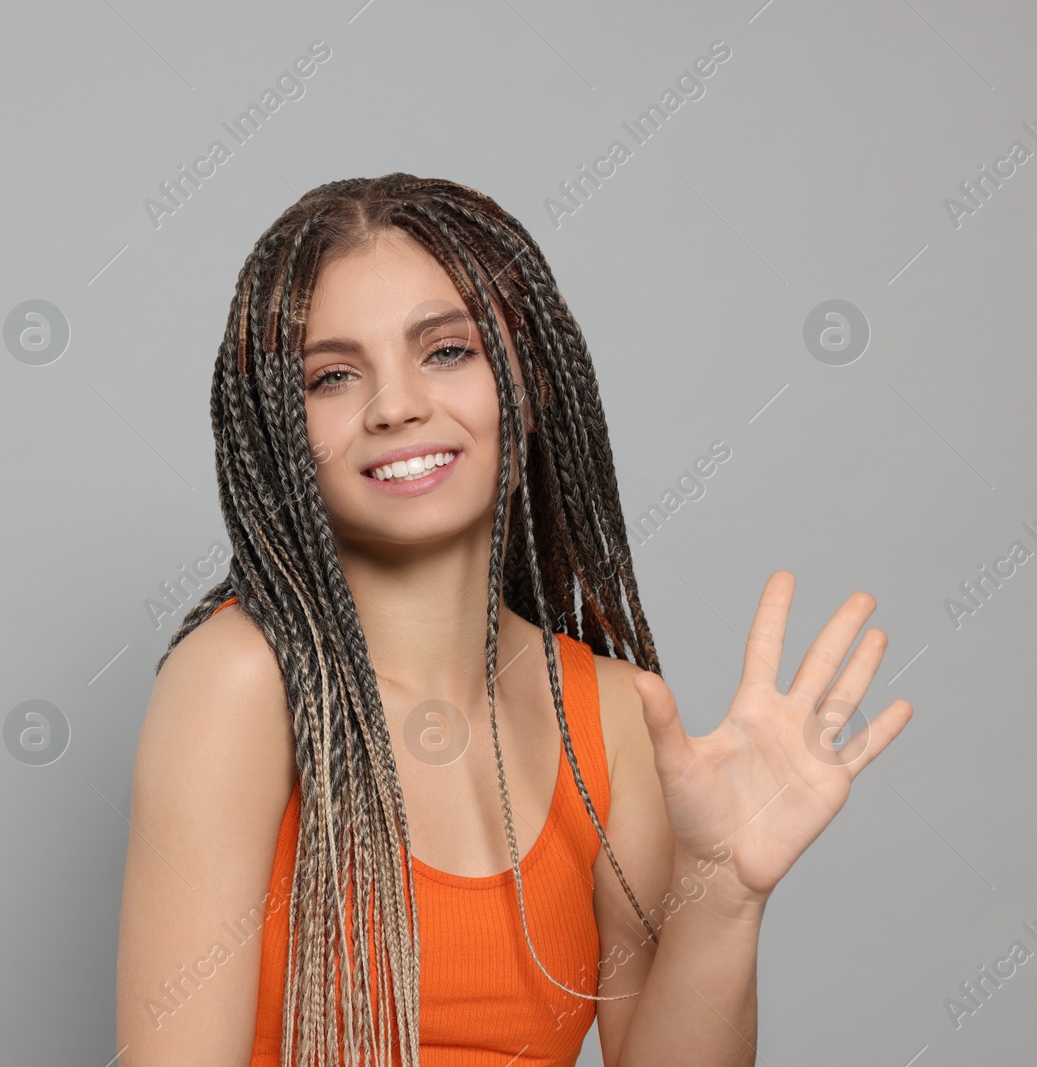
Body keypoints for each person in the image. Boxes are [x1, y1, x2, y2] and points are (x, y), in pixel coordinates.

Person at [114, 173, 913, 1067]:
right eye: (332, 376)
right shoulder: (239, 682)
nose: (395, 405)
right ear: (277, 431)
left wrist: (723, 891)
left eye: (446, 351)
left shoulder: (611, 713)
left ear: (526, 382)